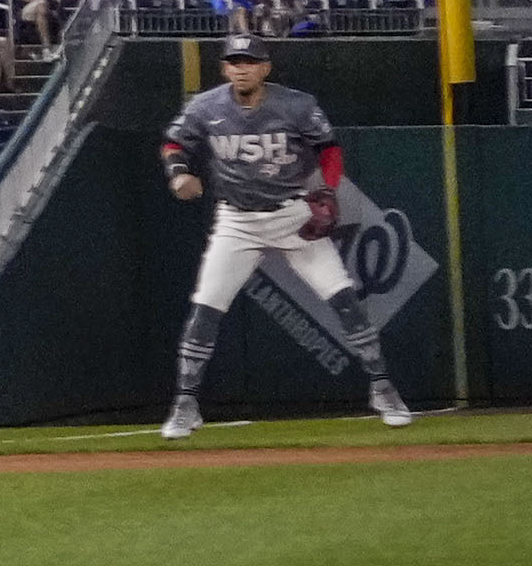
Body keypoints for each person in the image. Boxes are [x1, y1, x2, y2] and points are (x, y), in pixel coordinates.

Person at [157, 33, 416, 439]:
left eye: (249, 61)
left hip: (292, 214)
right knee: (206, 308)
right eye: (233, 61)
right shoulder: (206, 106)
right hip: (237, 220)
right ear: (225, 68)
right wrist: (179, 173)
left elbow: (328, 150)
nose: (241, 67)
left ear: (265, 67)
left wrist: (328, 189)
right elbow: (174, 142)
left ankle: (382, 388)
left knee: (344, 298)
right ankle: (186, 403)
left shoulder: (296, 104)